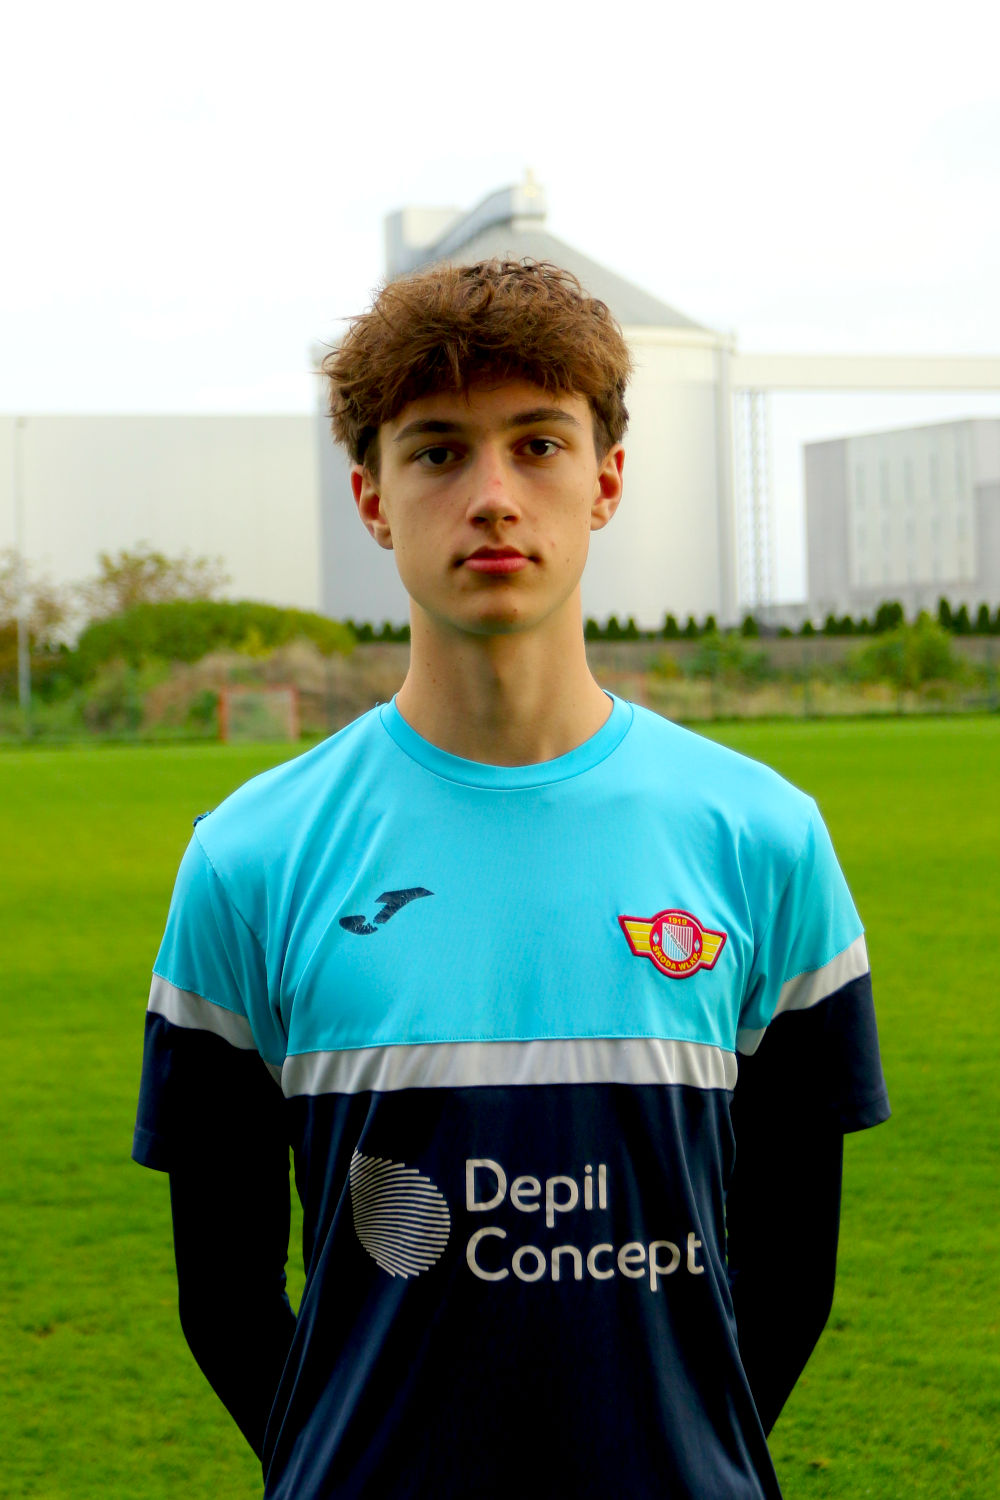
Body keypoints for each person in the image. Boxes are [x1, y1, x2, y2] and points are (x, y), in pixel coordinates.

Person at [133, 259, 890, 1499]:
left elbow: (793, 1276)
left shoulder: (763, 838)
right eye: (438, 452)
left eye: (537, 445)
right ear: (373, 498)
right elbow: (221, 1295)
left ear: (606, 481)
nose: (491, 497)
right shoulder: (248, 857)